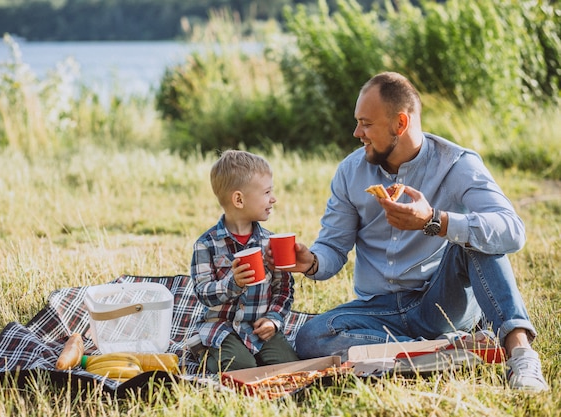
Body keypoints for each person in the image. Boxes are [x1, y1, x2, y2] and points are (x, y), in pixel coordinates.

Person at [270, 72, 548, 391]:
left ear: (399, 124)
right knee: (312, 337)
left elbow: (512, 231)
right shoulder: (350, 172)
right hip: (379, 309)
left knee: (475, 237)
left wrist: (436, 221)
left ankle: (522, 356)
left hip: (440, 301)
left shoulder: (457, 164)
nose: (356, 132)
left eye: (366, 123)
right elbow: (333, 249)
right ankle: (444, 350)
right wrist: (311, 262)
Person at [190, 150, 299, 373]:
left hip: (258, 327)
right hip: (221, 328)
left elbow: (284, 289)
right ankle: (204, 353)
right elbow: (203, 292)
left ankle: (251, 354)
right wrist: (234, 283)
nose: (273, 198)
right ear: (239, 199)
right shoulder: (206, 245)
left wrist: (273, 320)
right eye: (267, 192)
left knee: (289, 366)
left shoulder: (270, 242)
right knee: (241, 367)